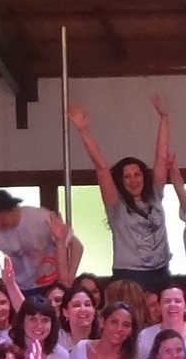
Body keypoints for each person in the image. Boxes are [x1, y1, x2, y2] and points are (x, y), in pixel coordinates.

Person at [67, 97, 176, 288]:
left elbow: (160, 159)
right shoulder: (116, 204)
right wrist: (83, 130)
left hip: (161, 270)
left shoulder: (155, 194)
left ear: (144, 176)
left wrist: (164, 119)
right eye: (127, 177)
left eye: (137, 174)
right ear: (121, 181)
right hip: (130, 273)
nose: (133, 180)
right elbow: (101, 167)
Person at [0, 188, 75, 291]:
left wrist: (70, 278)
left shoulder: (40, 217)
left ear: (13, 209)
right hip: (19, 286)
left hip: (51, 281)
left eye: (1, 218)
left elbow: (76, 246)